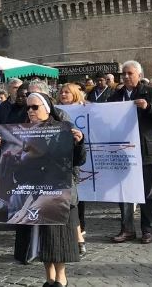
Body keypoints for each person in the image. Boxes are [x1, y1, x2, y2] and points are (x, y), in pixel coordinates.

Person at [0, 92, 85, 287]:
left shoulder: (63, 128)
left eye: (35, 107)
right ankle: (49, 277)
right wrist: (0, 146)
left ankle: (61, 278)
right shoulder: (21, 131)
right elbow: (10, 161)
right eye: (28, 107)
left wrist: (78, 143)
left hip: (58, 192)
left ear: (47, 108)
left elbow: (78, 160)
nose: (30, 111)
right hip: (33, 191)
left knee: (57, 238)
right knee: (42, 236)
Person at [108, 61, 152, 244]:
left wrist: (148, 107)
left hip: (147, 150)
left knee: (149, 192)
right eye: (123, 74)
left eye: (130, 73)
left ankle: (147, 230)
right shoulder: (116, 96)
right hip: (124, 151)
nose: (126, 77)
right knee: (125, 191)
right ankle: (127, 229)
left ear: (138, 74)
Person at [58, 83, 88, 256]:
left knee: (73, 203)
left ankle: (78, 236)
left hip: (72, 163)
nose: (63, 94)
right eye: (61, 92)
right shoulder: (54, 111)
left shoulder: (69, 112)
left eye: (67, 92)